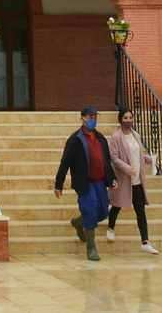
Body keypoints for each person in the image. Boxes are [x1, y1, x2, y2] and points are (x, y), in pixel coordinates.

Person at [53, 106, 117, 262]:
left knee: (102, 212)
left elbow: (106, 161)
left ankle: (77, 222)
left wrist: (112, 178)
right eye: (90, 117)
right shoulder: (75, 140)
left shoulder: (101, 138)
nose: (93, 120)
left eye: (95, 117)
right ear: (82, 119)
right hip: (85, 183)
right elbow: (65, 162)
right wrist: (58, 184)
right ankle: (91, 248)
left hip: (100, 182)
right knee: (90, 211)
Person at [108, 109, 159, 254]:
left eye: (131, 117)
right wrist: (127, 168)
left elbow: (138, 155)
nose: (129, 120)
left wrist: (151, 160)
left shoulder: (136, 135)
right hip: (124, 178)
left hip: (137, 179)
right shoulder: (116, 137)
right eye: (126, 118)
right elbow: (114, 158)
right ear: (120, 120)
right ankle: (111, 228)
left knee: (140, 210)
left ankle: (145, 241)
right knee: (117, 205)